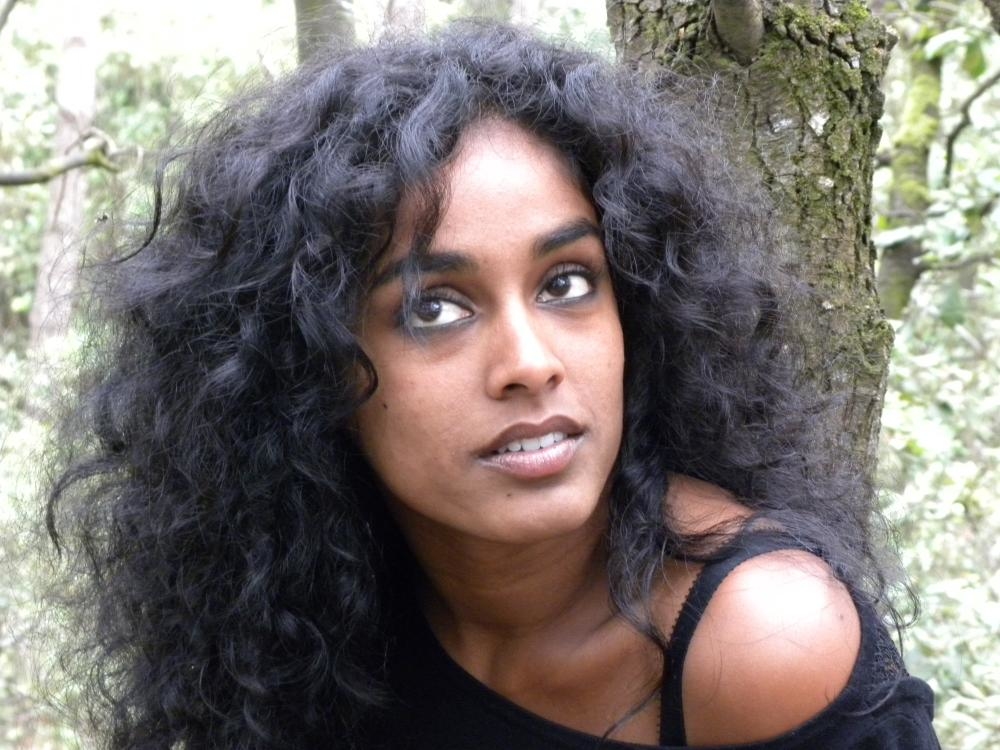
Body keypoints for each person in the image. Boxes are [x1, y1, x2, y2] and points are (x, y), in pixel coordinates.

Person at [46, 21, 940, 749]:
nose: (530, 362)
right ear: (306, 365)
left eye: (567, 283)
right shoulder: (307, 610)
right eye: (434, 307)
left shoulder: (761, 640)